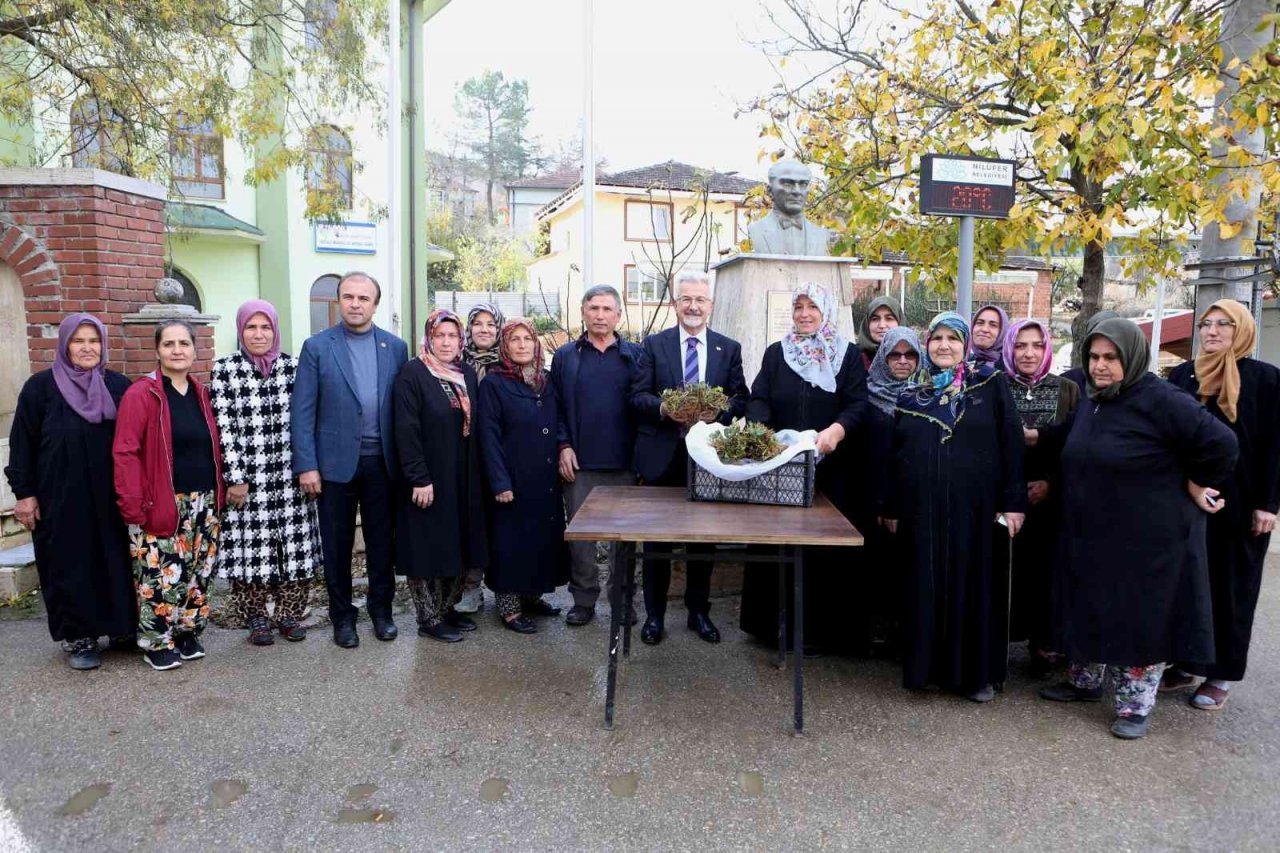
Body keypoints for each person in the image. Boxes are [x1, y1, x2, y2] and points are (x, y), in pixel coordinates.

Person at [1031, 318, 1238, 739]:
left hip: (1147, 537)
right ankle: (1085, 683)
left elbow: (1221, 444)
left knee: (1139, 617)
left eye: (1111, 357)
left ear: (1133, 357)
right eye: (1093, 357)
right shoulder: (1096, 398)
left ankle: (1134, 706)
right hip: (1092, 531)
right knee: (1087, 603)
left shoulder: (1161, 400)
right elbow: (1066, 437)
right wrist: (1022, 435)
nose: (1100, 365)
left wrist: (1198, 481)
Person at [881, 312, 1026, 702]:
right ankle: (926, 671)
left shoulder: (989, 384)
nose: (944, 345)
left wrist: (1014, 504)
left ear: (965, 344)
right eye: (937, 338)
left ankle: (973, 677)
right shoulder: (911, 394)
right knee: (926, 589)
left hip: (976, 514)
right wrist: (892, 507)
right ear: (927, 345)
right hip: (922, 514)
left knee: (972, 587)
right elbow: (898, 456)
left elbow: (1012, 445)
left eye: (953, 338)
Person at [738, 282, 870, 654]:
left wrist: (836, 430)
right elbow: (759, 397)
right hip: (782, 467)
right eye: (799, 306)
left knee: (822, 552)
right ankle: (769, 627)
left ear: (825, 311)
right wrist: (764, 430)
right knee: (776, 545)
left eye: (812, 306)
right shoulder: (778, 353)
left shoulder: (846, 355)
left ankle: (819, 632)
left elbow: (858, 404)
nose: (805, 314)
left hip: (831, 468)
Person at [1165, 300, 1280, 710]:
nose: (1211, 332)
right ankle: (1185, 662)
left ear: (1243, 330)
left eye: (1223, 324)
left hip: (1241, 504)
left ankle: (1221, 674)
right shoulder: (1183, 375)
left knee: (1231, 588)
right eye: (1206, 324)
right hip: (1186, 499)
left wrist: (1268, 504)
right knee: (1188, 584)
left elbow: (1275, 448)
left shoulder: (1266, 380)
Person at [5, 314, 133, 670]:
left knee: (115, 558)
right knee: (69, 562)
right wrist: (24, 494)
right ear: (64, 345)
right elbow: (22, 445)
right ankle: (80, 638)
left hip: (111, 496)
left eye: (94, 340)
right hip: (60, 496)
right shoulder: (40, 388)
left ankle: (121, 628)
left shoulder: (119, 386)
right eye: (79, 341)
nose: (87, 348)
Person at [630, 270, 749, 646]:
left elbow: (739, 397)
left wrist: (719, 413)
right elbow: (637, 396)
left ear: (710, 306)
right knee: (656, 545)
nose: (693, 306)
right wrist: (665, 408)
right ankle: (654, 616)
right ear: (675, 303)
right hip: (661, 458)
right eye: (686, 299)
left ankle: (698, 612)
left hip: (707, 460)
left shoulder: (727, 348)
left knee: (703, 542)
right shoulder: (654, 345)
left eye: (700, 300)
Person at [291, 272, 408, 649]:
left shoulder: (396, 347)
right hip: (334, 467)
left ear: (375, 304)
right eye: (348, 297)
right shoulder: (317, 347)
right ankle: (343, 617)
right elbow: (303, 411)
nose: (355, 304)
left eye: (363, 298)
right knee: (337, 546)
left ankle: (381, 612)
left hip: (382, 465)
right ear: (340, 301)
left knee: (381, 544)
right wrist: (307, 465)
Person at [113, 320, 225, 671]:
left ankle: (187, 632)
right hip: (161, 500)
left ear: (195, 349)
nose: (177, 350)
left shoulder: (202, 393)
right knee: (159, 573)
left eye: (184, 343)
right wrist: (130, 503)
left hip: (205, 500)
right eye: (169, 344)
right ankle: (156, 641)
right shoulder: (142, 394)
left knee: (197, 571)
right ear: (157, 350)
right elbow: (125, 452)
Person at [210, 300, 321, 646]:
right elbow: (224, 427)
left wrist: (308, 466)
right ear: (240, 331)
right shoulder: (224, 370)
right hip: (249, 481)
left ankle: (289, 614)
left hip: (292, 478)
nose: (258, 334)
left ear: (275, 330)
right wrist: (236, 477)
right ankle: (256, 617)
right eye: (251, 328)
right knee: (250, 550)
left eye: (265, 327)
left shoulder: (294, 368)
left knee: (294, 549)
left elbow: (309, 420)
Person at [393, 310, 488, 643]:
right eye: (439, 336)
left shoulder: (466, 375)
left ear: (461, 340)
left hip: (461, 475)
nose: (446, 342)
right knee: (426, 547)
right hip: (429, 477)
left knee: (456, 543)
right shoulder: (413, 374)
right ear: (428, 338)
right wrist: (419, 477)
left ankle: (447, 609)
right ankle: (428, 618)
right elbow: (406, 430)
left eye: (452, 336)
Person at [551, 285, 643, 627]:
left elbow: (644, 408)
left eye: (607, 309)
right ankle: (583, 601)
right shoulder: (566, 357)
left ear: (618, 315)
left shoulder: (635, 355)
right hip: (580, 463)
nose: (600, 315)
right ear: (583, 312)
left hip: (625, 464)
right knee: (582, 541)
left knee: (624, 543)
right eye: (594, 308)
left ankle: (622, 600)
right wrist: (563, 445)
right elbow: (555, 407)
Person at [477, 318, 570, 634]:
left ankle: (532, 597)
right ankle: (509, 607)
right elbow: (488, 436)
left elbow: (558, 421)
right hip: (512, 478)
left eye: (527, 339)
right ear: (505, 345)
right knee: (511, 542)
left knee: (540, 540)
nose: (521, 345)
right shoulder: (494, 382)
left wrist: (563, 448)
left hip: (543, 477)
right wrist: (499, 482)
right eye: (514, 339)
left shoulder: (545, 380)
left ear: (536, 344)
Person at [1002, 318, 1079, 677]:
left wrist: (1050, 483)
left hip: (1050, 500)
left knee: (1047, 573)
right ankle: (998, 641)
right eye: (1019, 345)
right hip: (1004, 496)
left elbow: (1076, 447)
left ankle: (1043, 645)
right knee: (1004, 571)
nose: (1028, 353)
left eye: (1035, 345)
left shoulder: (1068, 390)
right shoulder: (995, 386)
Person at [859, 326, 922, 652]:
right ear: (882, 356)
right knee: (877, 564)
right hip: (876, 496)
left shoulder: (928, 395)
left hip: (915, 499)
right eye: (894, 354)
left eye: (909, 354)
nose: (901, 361)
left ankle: (904, 630)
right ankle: (875, 629)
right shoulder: (868, 396)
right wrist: (885, 504)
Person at [455, 301, 506, 615]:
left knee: (504, 524)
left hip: (505, 455)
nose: (484, 330)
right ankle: (470, 587)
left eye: (491, 324)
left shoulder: (511, 361)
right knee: (473, 522)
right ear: (468, 329)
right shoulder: (455, 364)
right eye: (478, 324)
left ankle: (508, 588)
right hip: (468, 455)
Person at [1062, 309, 1119, 394]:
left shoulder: (1142, 390)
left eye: (1110, 357)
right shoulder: (1069, 382)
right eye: (1095, 357)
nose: (1100, 366)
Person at [856, 295, 903, 370]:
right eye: (875, 319)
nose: (882, 325)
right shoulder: (853, 357)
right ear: (867, 323)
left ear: (900, 322)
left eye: (889, 318)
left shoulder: (912, 356)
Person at [968, 303, 1009, 369]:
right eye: (980, 323)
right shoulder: (962, 363)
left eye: (993, 325)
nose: (984, 329)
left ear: (1003, 331)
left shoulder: (1009, 367)